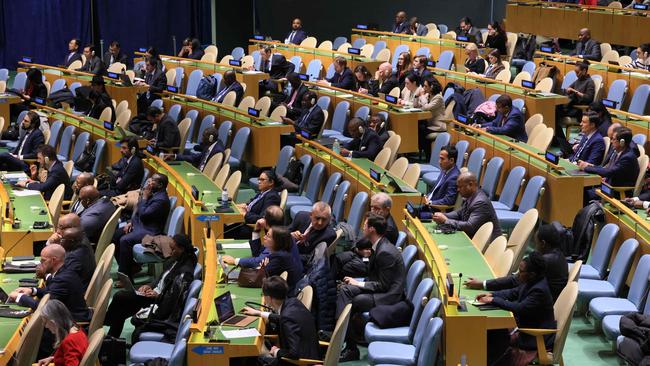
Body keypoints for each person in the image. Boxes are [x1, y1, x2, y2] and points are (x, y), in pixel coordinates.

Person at [337, 213, 406, 362]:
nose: (363, 227)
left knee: (354, 300)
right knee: (344, 290)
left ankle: (349, 345)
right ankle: (344, 338)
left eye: (365, 225)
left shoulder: (385, 252)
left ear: (372, 229)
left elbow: (384, 285)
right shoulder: (379, 245)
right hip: (380, 288)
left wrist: (359, 283)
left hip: (389, 296)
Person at [105, 234, 196, 339]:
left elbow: (173, 301)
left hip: (158, 302)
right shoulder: (174, 259)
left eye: (173, 249)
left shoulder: (185, 272)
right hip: (153, 294)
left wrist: (157, 296)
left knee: (120, 297)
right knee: (121, 307)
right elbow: (160, 279)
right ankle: (111, 338)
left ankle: (107, 324)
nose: (170, 252)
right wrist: (148, 286)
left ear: (182, 249)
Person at [478, 251, 556, 365]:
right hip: (526, 326)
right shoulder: (530, 281)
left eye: (521, 271)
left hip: (535, 336)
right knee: (493, 333)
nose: (518, 274)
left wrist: (493, 300)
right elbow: (512, 292)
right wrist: (492, 295)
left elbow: (519, 308)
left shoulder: (539, 290)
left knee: (495, 337)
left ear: (532, 274)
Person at [465, 224, 569, 301]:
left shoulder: (545, 261)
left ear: (543, 243)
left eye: (536, 243)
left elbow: (516, 282)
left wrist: (484, 285)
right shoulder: (559, 256)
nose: (535, 247)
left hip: (535, 306)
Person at [242, 276, 319, 362]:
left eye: (263, 295)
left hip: (301, 362)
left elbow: (294, 353)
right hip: (310, 351)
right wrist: (259, 313)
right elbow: (283, 318)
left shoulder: (287, 318)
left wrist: (276, 351)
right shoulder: (293, 302)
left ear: (269, 298)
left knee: (251, 359)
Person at [9, 244, 90, 321]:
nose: (40, 263)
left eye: (43, 260)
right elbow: (51, 292)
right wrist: (32, 290)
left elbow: (44, 307)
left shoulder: (62, 279)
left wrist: (19, 297)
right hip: (66, 316)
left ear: (53, 260)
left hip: (71, 322)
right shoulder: (64, 271)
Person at [113, 173, 170, 280]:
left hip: (151, 231)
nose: (149, 181)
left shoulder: (161, 200)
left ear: (160, 185)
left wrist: (144, 197)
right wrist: (132, 222)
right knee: (115, 235)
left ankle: (125, 276)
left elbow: (144, 214)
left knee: (125, 240)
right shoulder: (153, 193)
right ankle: (132, 267)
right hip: (141, 225)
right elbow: (139, 211)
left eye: (153, 180)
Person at [221, 205, 301, 269]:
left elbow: (258, 261)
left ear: (265, 221)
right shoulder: (280, 234)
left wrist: (235, 261)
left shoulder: (278, 238)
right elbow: (258, 253)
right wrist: (256, 231)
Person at [432, 172, 502, 241]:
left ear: (470, 184)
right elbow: (458, 213)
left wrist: (446, 220)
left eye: (460, 187)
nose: (458, 190)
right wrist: (442, 215)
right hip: (474, 236)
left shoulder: (480, 202)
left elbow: (470, 227)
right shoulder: (470, 196)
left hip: (487, 244)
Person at [579, 127, 640, 201]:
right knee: (580, 188)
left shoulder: (628, 157)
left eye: (614, 139)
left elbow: (609, 172)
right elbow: (607, 169)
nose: (611, 141)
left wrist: (586, 168)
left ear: (622, 142)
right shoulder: (618, 152)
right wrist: (591, 166)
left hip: (616, 191)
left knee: (581, 193)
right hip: (607, 185)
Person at [36, 300, 89, 366]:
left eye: (46, 322)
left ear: (53, 322)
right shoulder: (79, 331)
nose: (46, 326)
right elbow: (75, 355)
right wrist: (54, 358)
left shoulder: (69, 341)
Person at [231, 170, 281, 239]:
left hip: (252, 229)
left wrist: (245, 214)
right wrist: (245, 205)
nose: (259, 182)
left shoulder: (272, 197)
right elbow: (253, 202)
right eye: (259, 179)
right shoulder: (263, 192)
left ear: (271, 182)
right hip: (245, 222)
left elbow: (262, 219)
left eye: (262, 180)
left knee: (222, 229)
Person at [555, 61, 596, 139]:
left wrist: (575, 91)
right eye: (575, 72)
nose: (576, 74)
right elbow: (568, 89)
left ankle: (558, 138)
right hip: (569, 107)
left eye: (577, 72)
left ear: (584, 71)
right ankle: (557, 137)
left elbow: (589, 98)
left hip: (578, 110)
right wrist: (568, 90)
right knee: (553, 110)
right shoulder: (578, 80)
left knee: (555, 110)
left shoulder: (590, 82)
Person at [261, 226, 304, 293]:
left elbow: (261, 278)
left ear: (277, 241)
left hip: (285, 296)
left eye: (268, 236)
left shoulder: (280, 257)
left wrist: (264, 268)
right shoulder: (283, 253)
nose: (264, 237)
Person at [414, 76, 447, 160]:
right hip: (429, 124)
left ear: (431, 86)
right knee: (417, 128)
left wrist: (421, 96)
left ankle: (428, 156)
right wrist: (416, 96)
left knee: (420, 131)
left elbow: (426, 107)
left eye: (425, 86)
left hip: (438, 126)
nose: (424, 88)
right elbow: (415, 106)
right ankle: (422, 153)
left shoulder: (438, 98)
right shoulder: (428, 95)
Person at [59, 226, 96, 290]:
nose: (60, 242)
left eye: (62, 239)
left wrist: (47, 276)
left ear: (71, 241)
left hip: (73, 293)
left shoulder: (73, 258)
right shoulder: (83, 246)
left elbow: (64, 281)